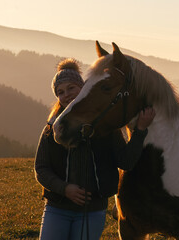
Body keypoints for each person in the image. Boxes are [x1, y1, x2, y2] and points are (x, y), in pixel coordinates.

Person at [34, 58, 155, 240]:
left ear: (83, 88)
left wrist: (140, 131)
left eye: (71, 88)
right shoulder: (52, 128)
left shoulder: (105, 127)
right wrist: (65, 189)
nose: (66, 94)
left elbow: (126, 162)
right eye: (60, 92)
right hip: (57, 209)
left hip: (92, 212)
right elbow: (41, 169)